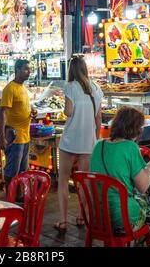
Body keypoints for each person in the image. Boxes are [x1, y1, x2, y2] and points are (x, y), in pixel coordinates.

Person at [90, 107, 150, 247]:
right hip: (122, 221)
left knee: (139, 201)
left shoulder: (99, 144)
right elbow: (143, 187)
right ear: (136, 129)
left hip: (98, 218)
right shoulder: (130, 147)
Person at [54, 55, 103, 232]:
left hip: (70, 140)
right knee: (84, 182)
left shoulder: (70, 87)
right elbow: (99, 118)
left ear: (71, 70)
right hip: (88, 142)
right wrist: (95, 138)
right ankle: (82, 217)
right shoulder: (96, 88)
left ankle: (63, 221)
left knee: (63, 180)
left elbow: (68, 112)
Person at [0, 59, 34, 192]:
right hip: (14, 137)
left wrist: (32, 112)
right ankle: (10, 196)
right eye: (26, 69)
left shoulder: (23, 88)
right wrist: (2, 136)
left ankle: (19, 195)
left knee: (23, 171)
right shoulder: (10, 88)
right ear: (17, 70)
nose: (29, 71)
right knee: (12, 171)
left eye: (29, 69)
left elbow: (22, 108)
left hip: (25, 136)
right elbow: (3, 113)